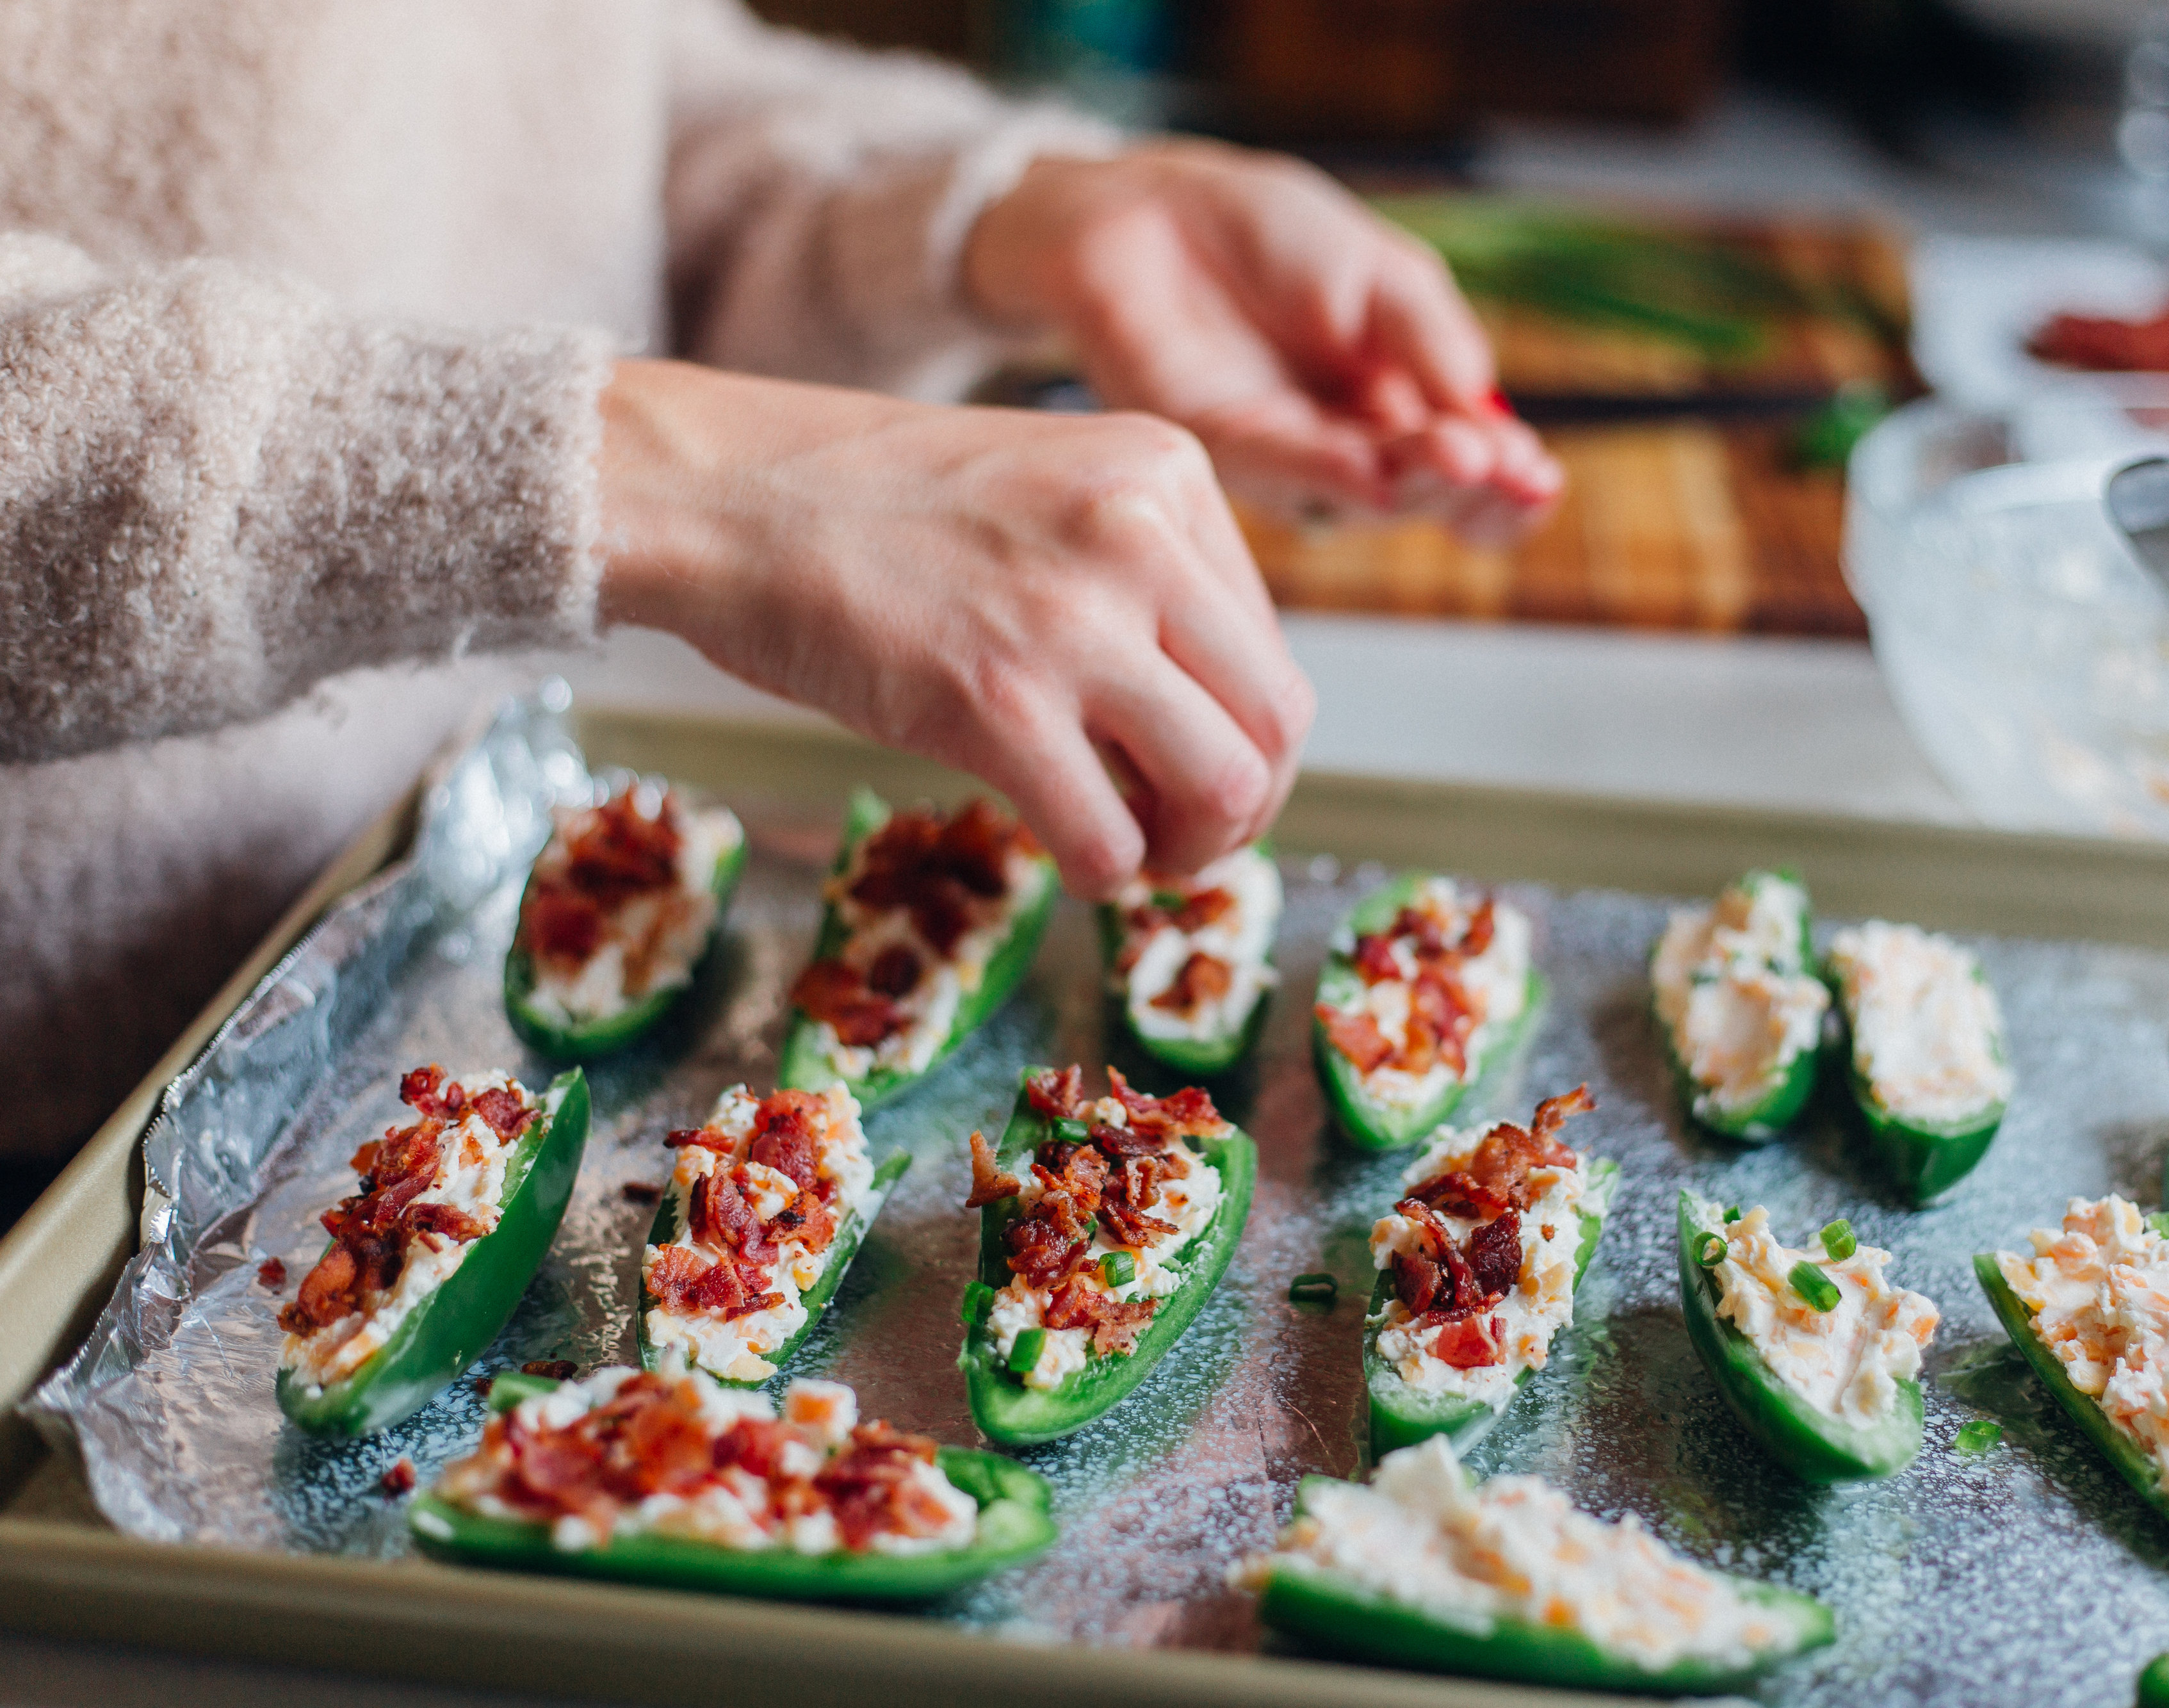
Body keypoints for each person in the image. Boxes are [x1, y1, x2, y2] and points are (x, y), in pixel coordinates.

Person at [0, 1, 1562, 1162]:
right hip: (60, 1096)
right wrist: (656, 472)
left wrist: (1013, 216)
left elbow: (568, 98)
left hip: (433, 952)